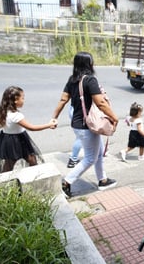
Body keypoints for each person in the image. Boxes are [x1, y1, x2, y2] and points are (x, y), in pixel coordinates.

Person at [51, 51, 119, 198]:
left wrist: (54, 117)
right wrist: (114, 117)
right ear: (89, 64)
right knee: (90, 158)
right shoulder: (90, 80)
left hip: (77, 124)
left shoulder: (72, 80)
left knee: (99, 152)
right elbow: (100, 102)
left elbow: (63, 100)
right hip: (87, 126)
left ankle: (103, 179)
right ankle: (67, 182)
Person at [0, 86, 57, 173]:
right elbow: (32, 128)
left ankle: (5, 180)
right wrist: (49, 125)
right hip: (19, 139)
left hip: (7, 139)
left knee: (10, 163)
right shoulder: (16, 116)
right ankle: (33, 176)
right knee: (30, 160)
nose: (24, 100)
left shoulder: (2, 112)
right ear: (15, 100)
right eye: (22, 98)